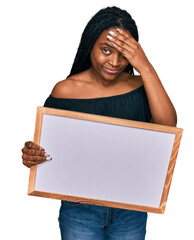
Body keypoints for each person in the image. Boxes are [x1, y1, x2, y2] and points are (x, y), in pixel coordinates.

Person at [22, 6, 177, 240]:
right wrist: (33, 155)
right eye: (106, 50)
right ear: (90, 44)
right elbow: (49, 149)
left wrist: (145, 66)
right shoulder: (65, 91)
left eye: (124, 55)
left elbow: (167, 129)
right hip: (79, 210)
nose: (115, 62)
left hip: (130, 209)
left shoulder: (140, 87)